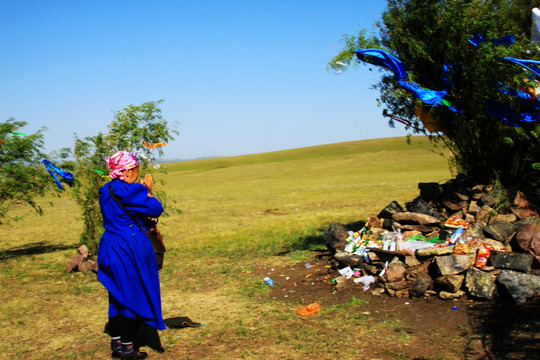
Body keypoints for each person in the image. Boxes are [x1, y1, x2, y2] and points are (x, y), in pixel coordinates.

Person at [97, 150, 165, 360]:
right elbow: (155, 209)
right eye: (136, 169)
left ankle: (117, 342)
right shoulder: (132, 190)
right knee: (132, 295)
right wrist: (148, 192)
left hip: (109, 245)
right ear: (126, 172)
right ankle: (128, 348)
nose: (138, 172)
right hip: (129, 247)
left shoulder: (105, 189)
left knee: (117, 295)